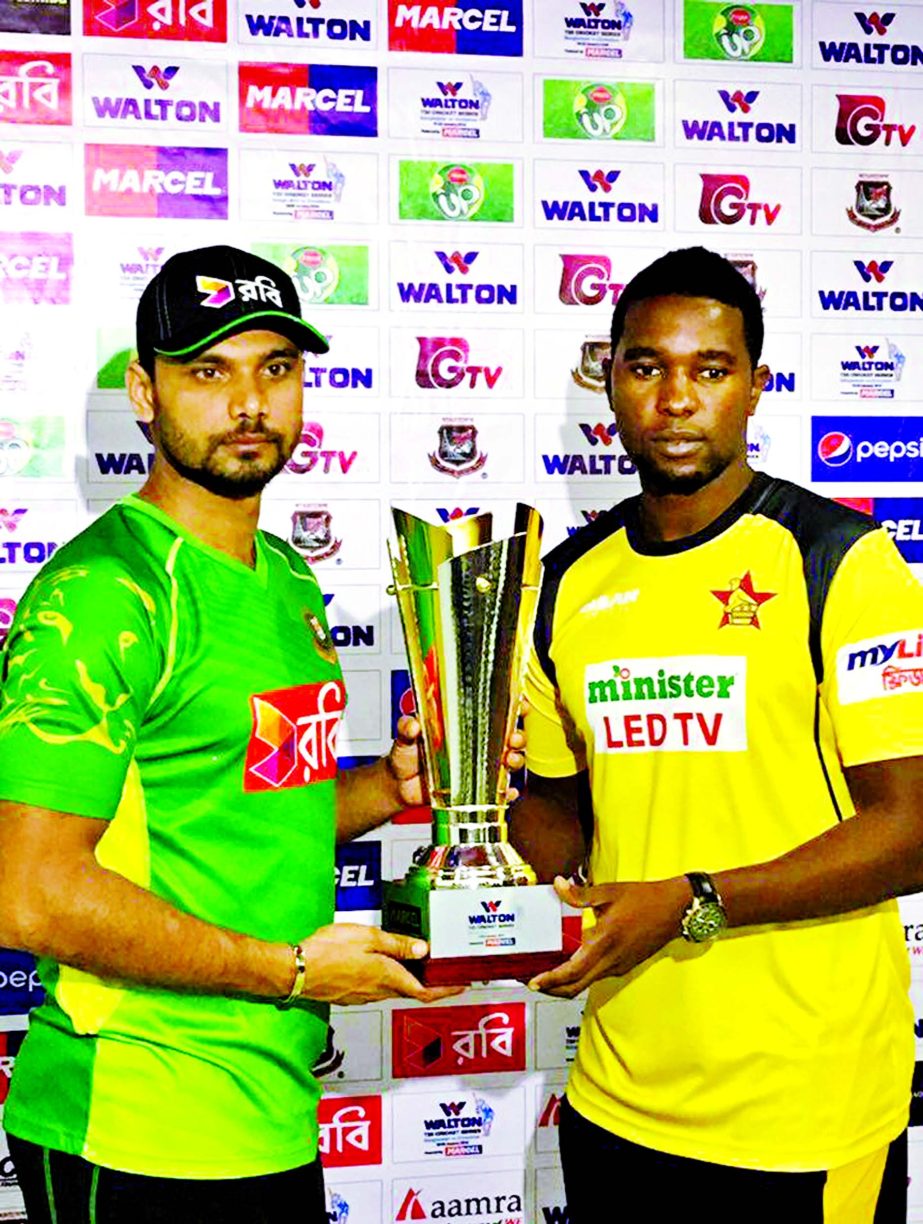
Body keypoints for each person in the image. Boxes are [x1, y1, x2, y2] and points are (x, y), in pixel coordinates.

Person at [0, 245, 510, 1223]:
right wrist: (290, 972)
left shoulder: (284, 577)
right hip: (134, 1117)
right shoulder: (104, 595)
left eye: (274, 368)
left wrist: (399, 787)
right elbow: (29, 895)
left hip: (270, 1107)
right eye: (209, 371)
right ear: (144, 394)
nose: (248, 402)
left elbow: (250, 815)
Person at [512, 246, 923, 1222]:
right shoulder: (566, 581)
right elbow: (560, 818)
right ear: (605, 378)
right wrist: (491, 825)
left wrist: (692, 902)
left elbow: (909, 828)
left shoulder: (839, 562)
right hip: (617, 1100)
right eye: (646, 366)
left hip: (800, 1116)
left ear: (753, 387)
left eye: (709, 369)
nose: (674, 399)